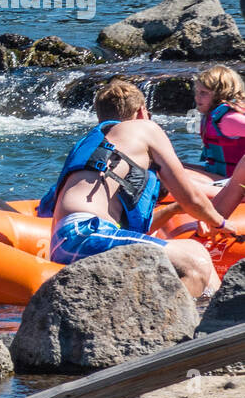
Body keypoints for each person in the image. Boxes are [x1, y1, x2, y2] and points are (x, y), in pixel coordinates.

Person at [40, 77, 233, 297]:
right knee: (194, 255)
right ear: (142, 112)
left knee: (204, 271)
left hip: (66, 243)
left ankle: (218, 319)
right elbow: (192, 197)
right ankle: (183, 329)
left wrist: (174, 209)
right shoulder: (144, 128)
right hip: (85, 235)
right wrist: (220, 223)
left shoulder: (94, 145)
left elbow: (125, 232)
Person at [191, 65, 245, 178]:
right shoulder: (211, 117)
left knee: (169, 174)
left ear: (221, 94)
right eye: (197, 91)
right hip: (221, 176)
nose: (197, 97)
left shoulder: (228, 120)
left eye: (204, 92)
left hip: (234, 185)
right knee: (169, 168)